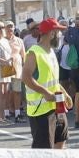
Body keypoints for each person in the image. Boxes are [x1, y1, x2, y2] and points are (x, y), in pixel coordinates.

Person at [23, 18, 69, 149]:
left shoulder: (51, 52)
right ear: (52, 33)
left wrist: (65, 94)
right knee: (43, 152)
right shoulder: (34, 52)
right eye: (59, 32)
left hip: (57, 107)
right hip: (41, 111)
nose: (60, 36)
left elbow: (53, 80)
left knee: (61, 142)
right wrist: (45, 93)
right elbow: (26, 77)